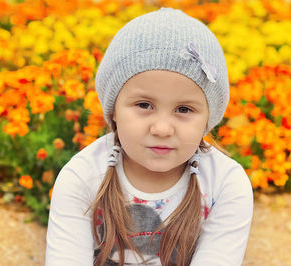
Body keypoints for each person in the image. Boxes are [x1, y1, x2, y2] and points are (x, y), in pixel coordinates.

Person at [46, 7, 253, 266]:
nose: (162, 129)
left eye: (184, 109)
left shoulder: (225, 185)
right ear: (113, 111)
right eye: (144, 105)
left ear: (207, 120)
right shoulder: (83, 176)